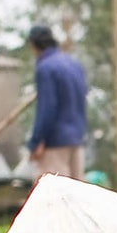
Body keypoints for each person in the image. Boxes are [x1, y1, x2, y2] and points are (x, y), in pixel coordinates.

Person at [26, 24, 89, 180]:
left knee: (54, 197)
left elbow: (47, 108)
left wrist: (36, 142)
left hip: (55, 142)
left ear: (35, 45)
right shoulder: (74, 64)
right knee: (76, 196)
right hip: (76, 138)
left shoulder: (45, 68)